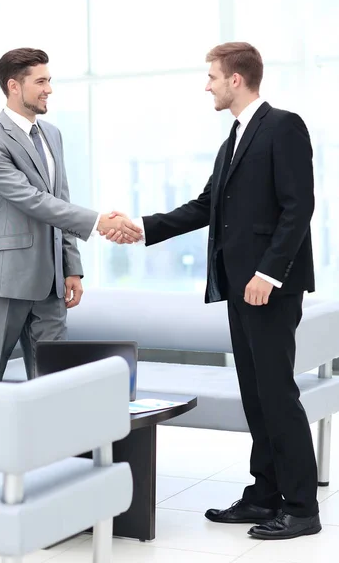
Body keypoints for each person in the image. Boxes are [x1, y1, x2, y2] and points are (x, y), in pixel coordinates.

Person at [102, 42, 321, 540]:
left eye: (212, 77)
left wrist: (270, 273)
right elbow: (206, 206)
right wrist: (140, 226)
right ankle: (265, 494)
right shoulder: (235, 139)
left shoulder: (283, 126)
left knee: (277, 394)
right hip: (238, 288)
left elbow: (298, 207)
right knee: (255, 393)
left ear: (236, 79)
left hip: (268, 287)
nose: (207, 85)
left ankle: (302, 508)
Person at [0, 47, 141, 382]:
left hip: (51, 285)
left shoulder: (52, 135)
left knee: (54, 382)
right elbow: (32, 200)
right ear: (14, 86)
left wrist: (71, 266)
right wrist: (97, 222)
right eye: (41, 81)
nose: (49, 88)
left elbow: (60, 199)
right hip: (4, 281)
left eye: (49, 80)